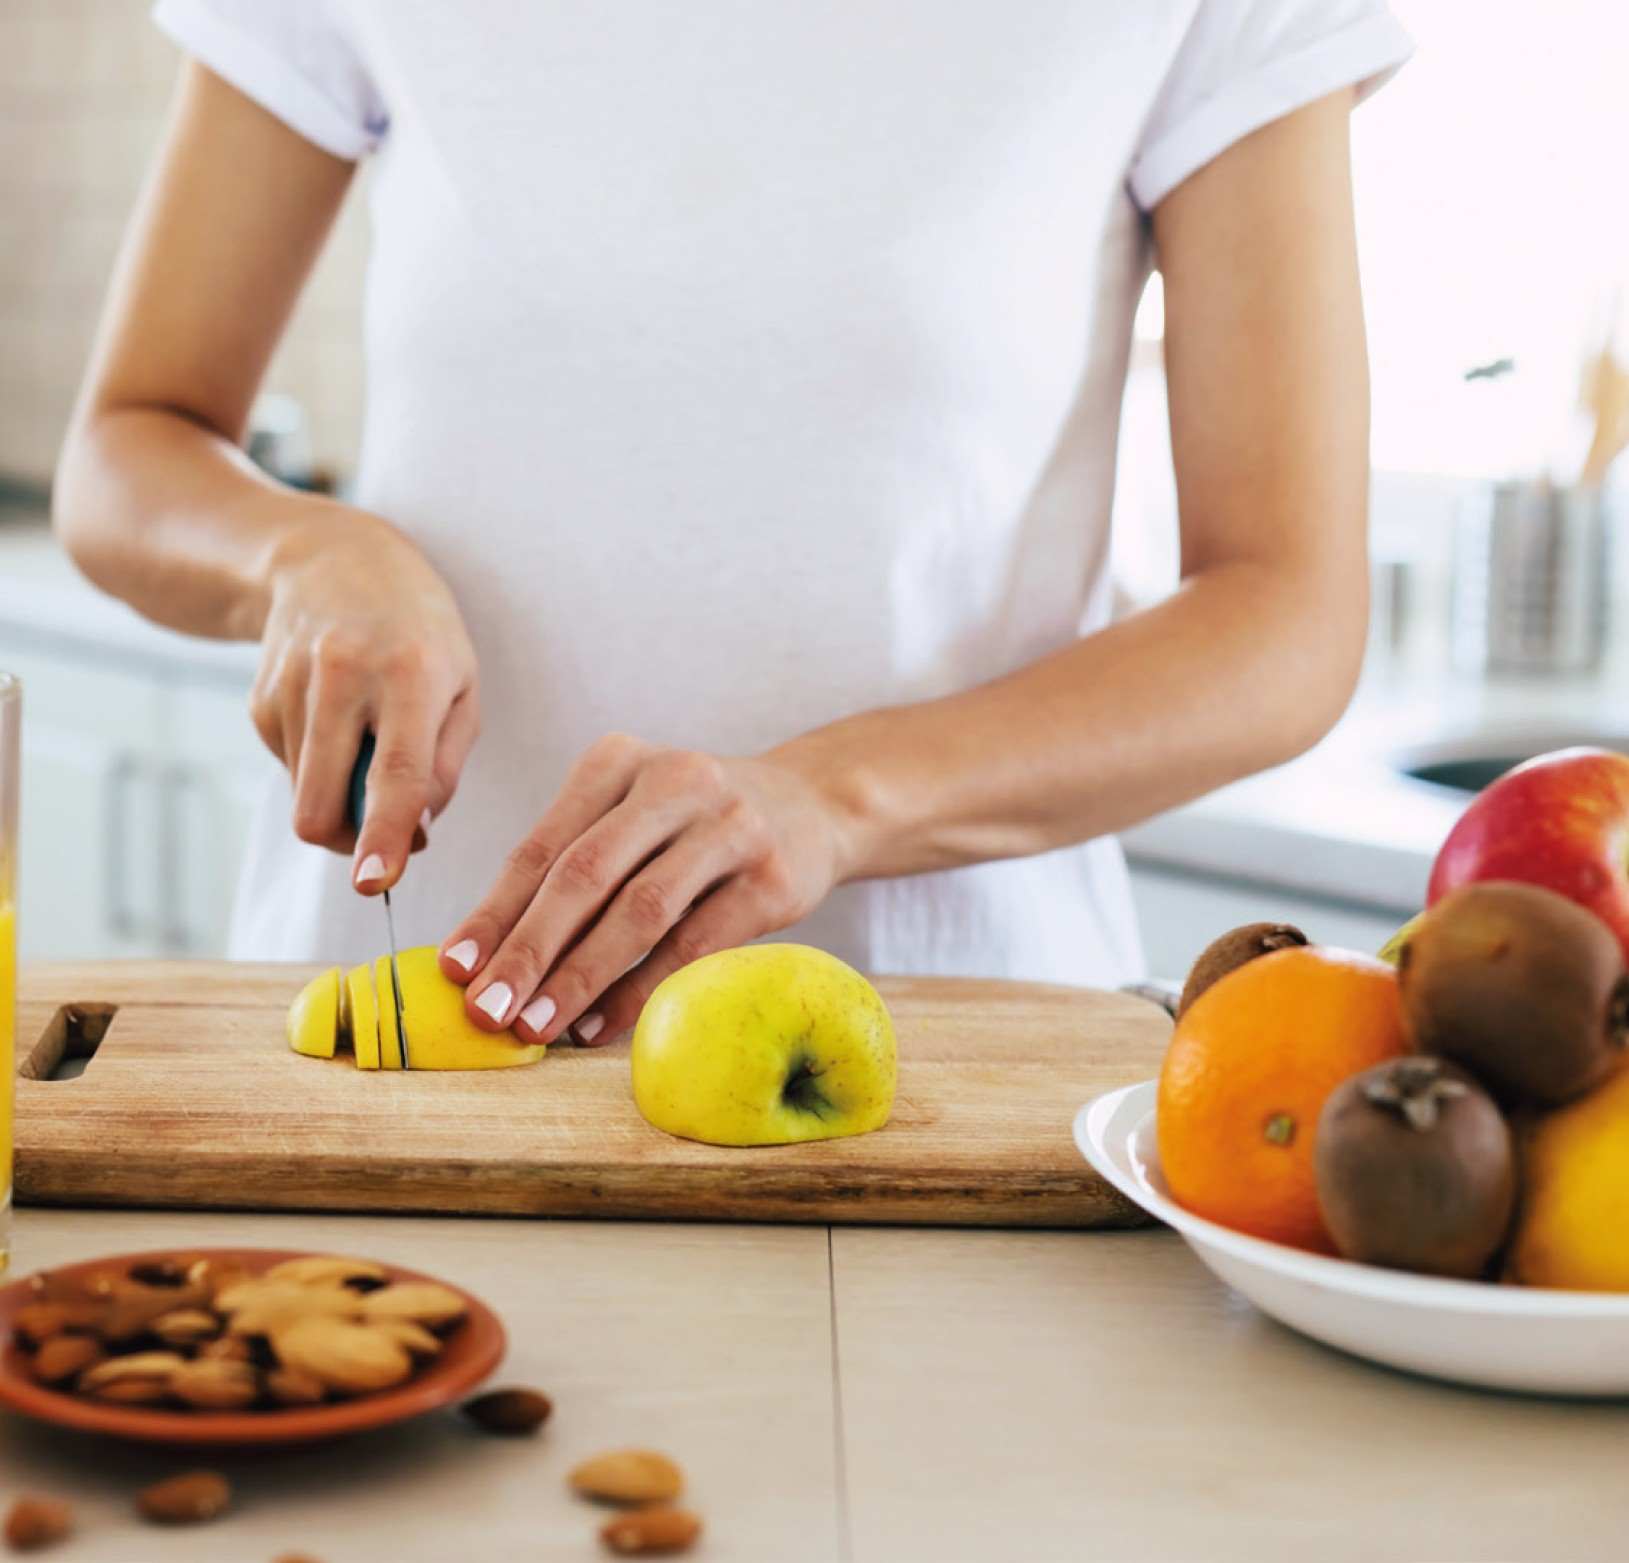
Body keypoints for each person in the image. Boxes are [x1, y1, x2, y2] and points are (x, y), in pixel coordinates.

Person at [54, 1, 1410, 1047]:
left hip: (939, 1051)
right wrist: (307, 554)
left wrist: (836, 796)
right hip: (403, 1022)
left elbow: (1284, 613)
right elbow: (127, 447)